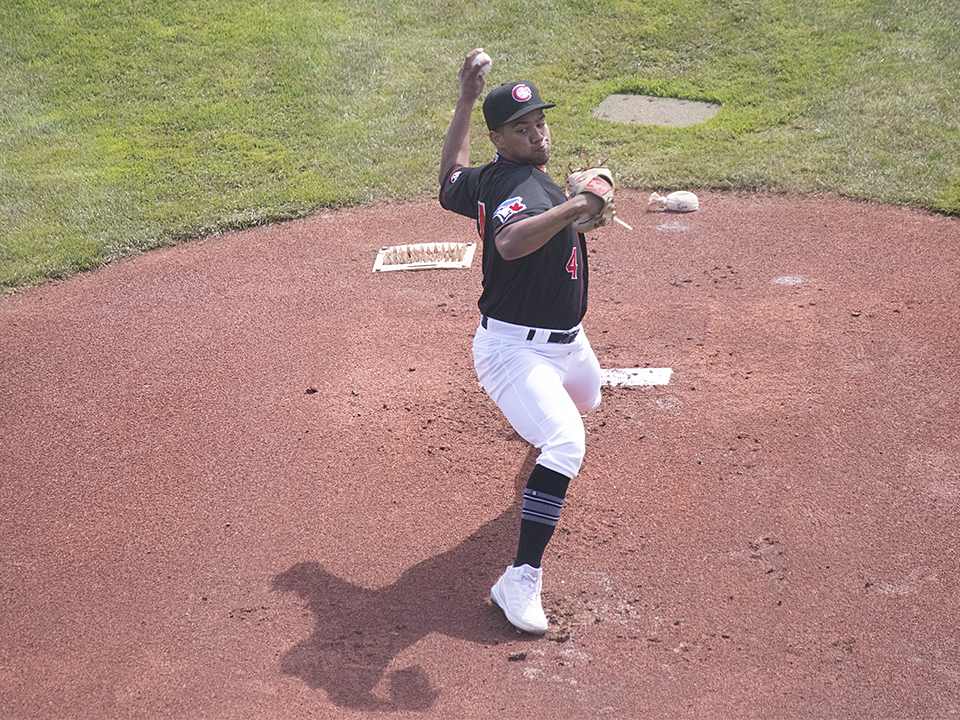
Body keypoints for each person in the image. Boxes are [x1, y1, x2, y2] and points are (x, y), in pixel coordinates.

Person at [438, 50, 609, 634]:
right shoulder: (518, 189)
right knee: (566, 443)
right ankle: (520, 580)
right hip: (514, 349)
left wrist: (463, 99)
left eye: (540, 121)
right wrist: (577, 205)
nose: (538, 135)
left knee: (589, 397)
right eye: (522, 128)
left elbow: (447, 182)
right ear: (500, 139)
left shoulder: (485, 177)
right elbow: (510, 242)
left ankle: (544, 417)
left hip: (568, 344)